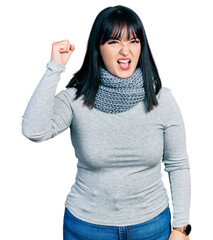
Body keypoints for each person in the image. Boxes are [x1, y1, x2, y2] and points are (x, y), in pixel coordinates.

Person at [21, 5, 191, 240]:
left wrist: (181, 228)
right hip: (87, 228)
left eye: (133, 41)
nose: (125, 51)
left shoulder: (162, 99)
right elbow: (34, 130)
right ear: (98, 48)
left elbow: (178, 164)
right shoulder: (76, 99)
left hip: (152, 228)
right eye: (113, 42)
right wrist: (55, 67)